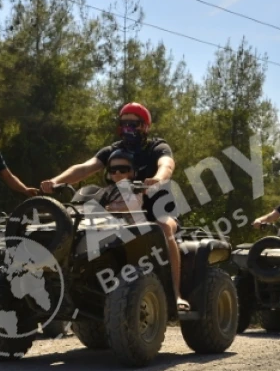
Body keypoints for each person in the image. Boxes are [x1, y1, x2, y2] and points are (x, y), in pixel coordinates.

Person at [40, 102, 191, 311]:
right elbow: (84, 168)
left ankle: (176, 294)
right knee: (84, 229)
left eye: (134, 123)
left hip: (158, 210)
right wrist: (56, 181)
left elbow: (167, 165)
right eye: (124, 123)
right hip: (122, 211)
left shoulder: (157, 147)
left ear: (145, 126)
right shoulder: (114, 150)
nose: (128, 128)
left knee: (164, 228)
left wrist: (157, 178)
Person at [97, 150, 144, 216]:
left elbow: (132, 205)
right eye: (113, 170)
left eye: (123, 170)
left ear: (133, 171)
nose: (117, 173)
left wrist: (111, 207)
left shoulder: (136, 187)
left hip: (131, 224)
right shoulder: (108, 190)